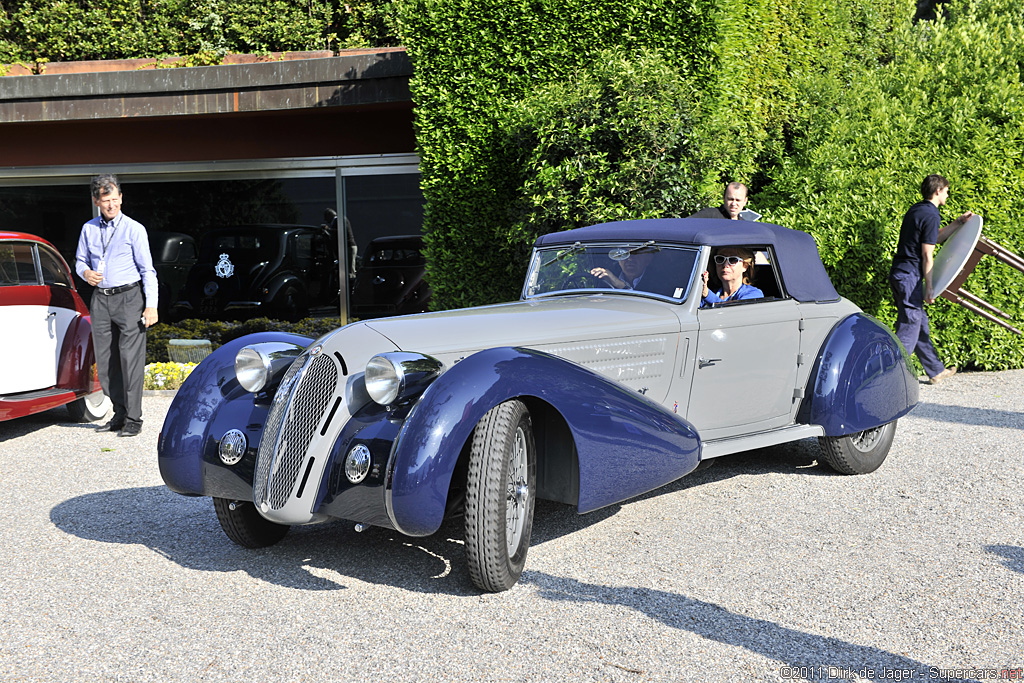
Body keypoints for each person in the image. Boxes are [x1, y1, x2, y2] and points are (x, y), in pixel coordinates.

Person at [75, 174, 158, 436]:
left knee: (130, 359)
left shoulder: (135, 229)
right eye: (105, 200)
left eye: (115, 199)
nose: (111, 205)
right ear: (96, 201)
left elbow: (148, 271)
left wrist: (151, 305)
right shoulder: (89, 229)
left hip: (129, 298)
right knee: (106, 360)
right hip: (100, 299)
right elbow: (79, 261)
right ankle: (119, 411)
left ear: (121, 198)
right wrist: (86, 274)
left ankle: (134, 418)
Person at [889, 174, 973, 384]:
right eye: (946, 190)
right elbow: (927, 254)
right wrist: (929, 287)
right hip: (910, 276)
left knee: (919, 322)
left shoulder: (917, 210)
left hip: (900, 272)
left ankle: (934, 370)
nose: (948, 194)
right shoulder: (931, 215)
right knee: (910, 325)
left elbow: (933, 237)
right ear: (938, 191)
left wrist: (958, 223)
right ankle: (889, 376)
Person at [590, 250, 655, 290]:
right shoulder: (607, 278)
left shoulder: (658, 281)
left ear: (648, 259)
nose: (630, 259)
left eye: (636, 254)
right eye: (624, 254)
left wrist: (621, 286)